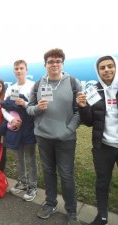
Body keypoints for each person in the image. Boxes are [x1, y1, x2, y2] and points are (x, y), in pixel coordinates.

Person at [26, 48, 81, 225]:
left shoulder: (73, 82)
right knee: (49, 172)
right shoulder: (38, 84)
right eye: (51, 61)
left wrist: (68, 130)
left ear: (62, 64)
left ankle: (71, 211)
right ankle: (50, 203)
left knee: (66, 175)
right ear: (45, 65)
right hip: (43, 137)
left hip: (66, 138)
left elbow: (79, 111)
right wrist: (37, 109)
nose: (54, 64)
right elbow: (29, 108)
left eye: (58, 61)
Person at [77, 55, 118, 225]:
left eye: (110, 66)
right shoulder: (93, 90)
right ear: (98, 71)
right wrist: (83, 106)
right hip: (103, 147)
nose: (107, 70)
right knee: (102, 182)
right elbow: (88, 122)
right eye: (103, 68)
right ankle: (102, 216)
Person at [1, 60, 37, 201]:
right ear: (14, 71)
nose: (19, 70)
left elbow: (38, 107)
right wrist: (11, 120)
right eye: (16, 68)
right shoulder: (11, 88)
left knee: (30, 158)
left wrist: (26, 103)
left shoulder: (32, 86)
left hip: (29, 128)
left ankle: (32, 185)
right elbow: (4, 108)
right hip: (16, 128)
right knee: (18, 157)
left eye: (21, 68)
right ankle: (22, 181)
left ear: (26, 70)